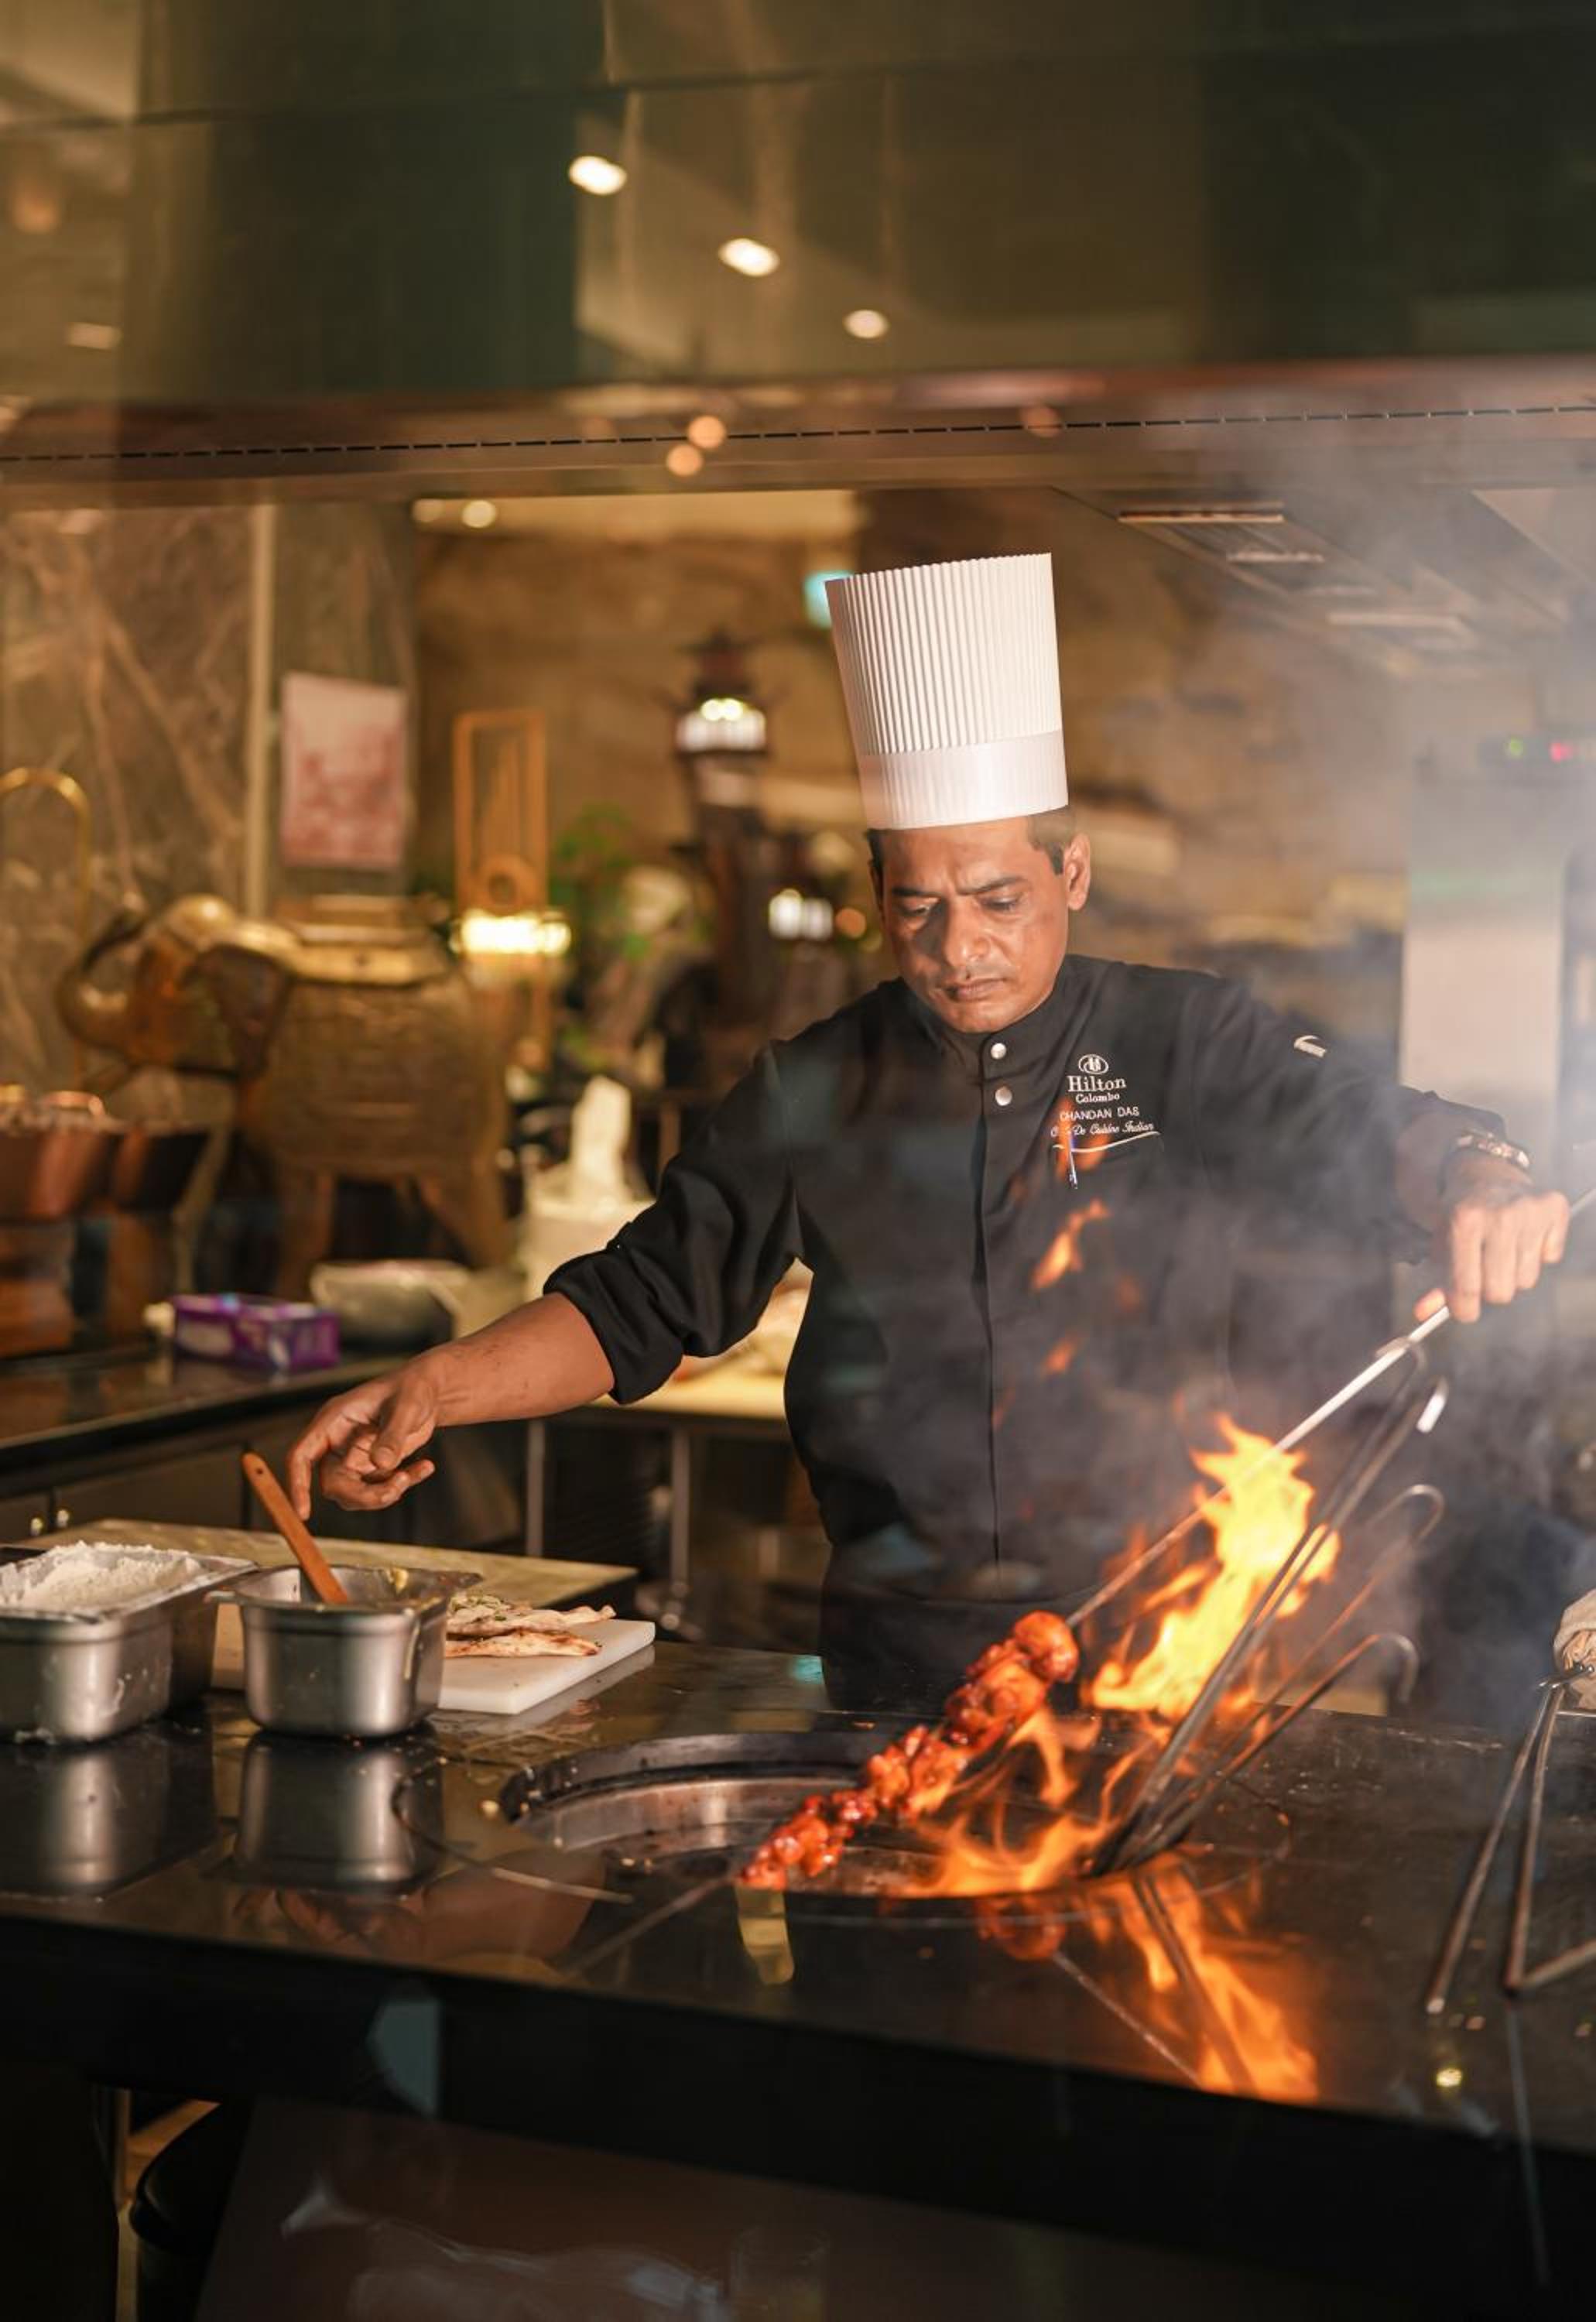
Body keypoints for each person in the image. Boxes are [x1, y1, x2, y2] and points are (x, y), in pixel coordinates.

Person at [289, 554, 1569, 1708]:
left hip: (1162, 1647)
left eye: (999, 899)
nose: (959, 949)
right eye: (919, 907)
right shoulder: (814, 1083)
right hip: (896, 1659)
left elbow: (1366, 1125)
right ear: (876, 891)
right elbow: (639, 1302)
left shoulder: (1183, 1038)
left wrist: (1477, 1176)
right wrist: (434, 1388)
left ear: (1071, 874)